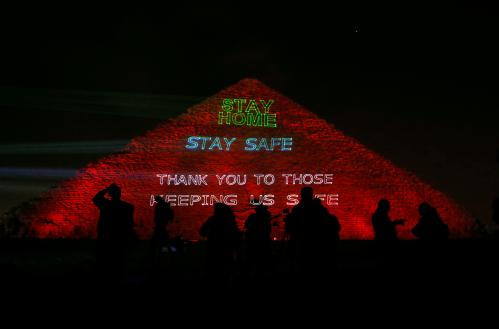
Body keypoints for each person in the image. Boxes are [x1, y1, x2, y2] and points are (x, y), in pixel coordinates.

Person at [93, 183, 136, 282]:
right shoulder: (128, 207)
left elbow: (96, 198)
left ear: (110, 194)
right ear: (120, 194)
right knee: (120, 262)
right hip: (120, 238)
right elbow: (130, 223)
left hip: (105, 238)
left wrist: (106, 189)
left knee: (105, 262)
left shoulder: (105, 205)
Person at [150, 195, 174, 276]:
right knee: (163, 239)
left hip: (160, 225)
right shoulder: (165, 205)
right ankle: (167, 252)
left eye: (156, 200)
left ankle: (154, 255)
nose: (155, 201)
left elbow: (158, 215)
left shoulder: (161, 206)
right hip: (162, 224)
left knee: (156, 240)